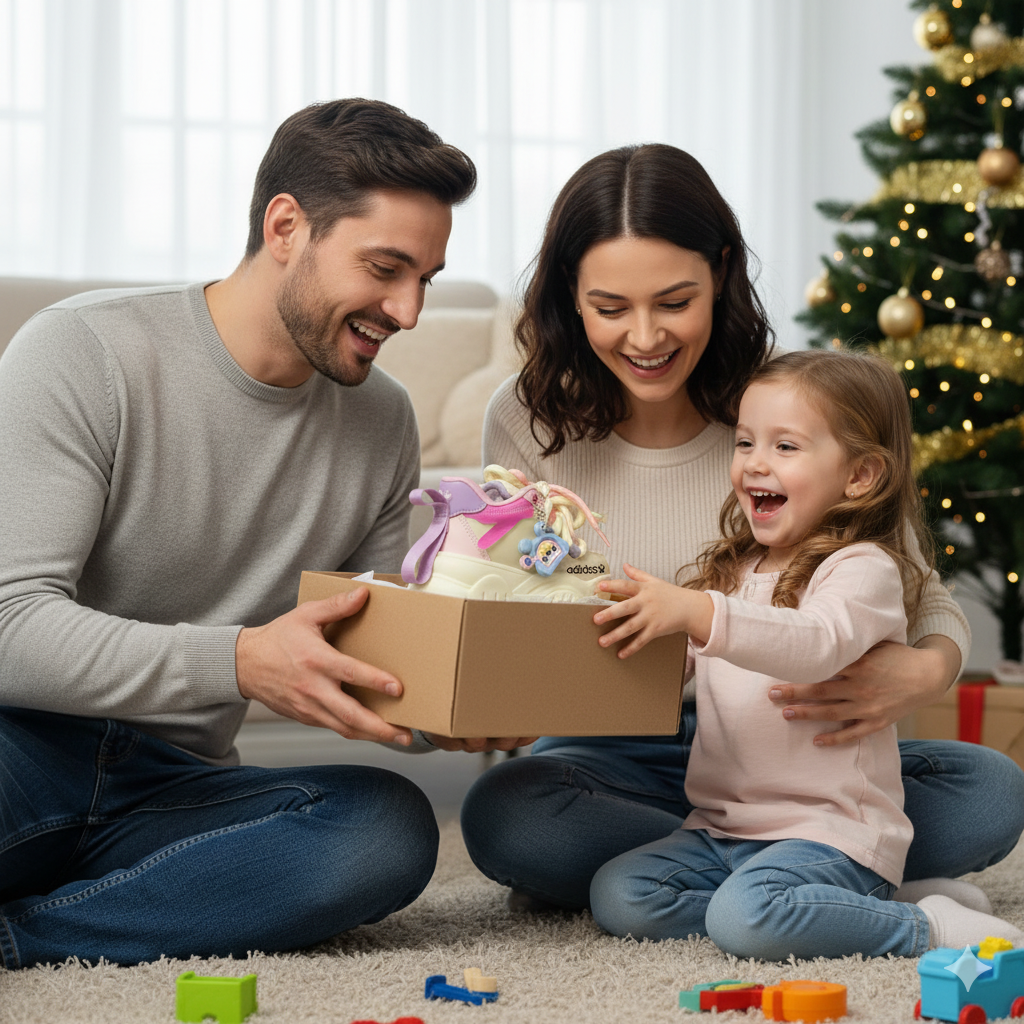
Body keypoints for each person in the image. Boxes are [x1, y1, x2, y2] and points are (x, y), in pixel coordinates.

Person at [460, 143, 1024, 925]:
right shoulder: (525, 421)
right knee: (507, 817)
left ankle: (756, 873)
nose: (646, 337)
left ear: (721, 273)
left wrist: (928, 672)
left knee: (989, 793)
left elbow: (917, 587)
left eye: (674, 300)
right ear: (571, 294)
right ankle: (805, 875)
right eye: (611, 307)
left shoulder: (790, 406)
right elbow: (516, 605)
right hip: (616, 746)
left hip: (798, 740)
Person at [0, 98, 478, 968]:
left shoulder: (383, 420)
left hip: (173, 783)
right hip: (22, 745)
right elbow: (9, 628)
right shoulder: (82, 352)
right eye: (385, 268)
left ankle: (26, 936)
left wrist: (460, 704)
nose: (407, 312)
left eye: (427, 279)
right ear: (286, 226)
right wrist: (237, 661)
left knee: (385, 830)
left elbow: (374, 656)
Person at [586, 349, 1024, 959]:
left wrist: (695, 612)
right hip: (723, 830)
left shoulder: (861, 569)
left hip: (828, 832)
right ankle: (848, 909)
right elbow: (677, 668)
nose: (754, 464)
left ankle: (928, 930)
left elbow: (814, 644)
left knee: (746, 920)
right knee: (621, 895)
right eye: (744, 443)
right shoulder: (731, 570)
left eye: (784, 447)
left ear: (860, 476)